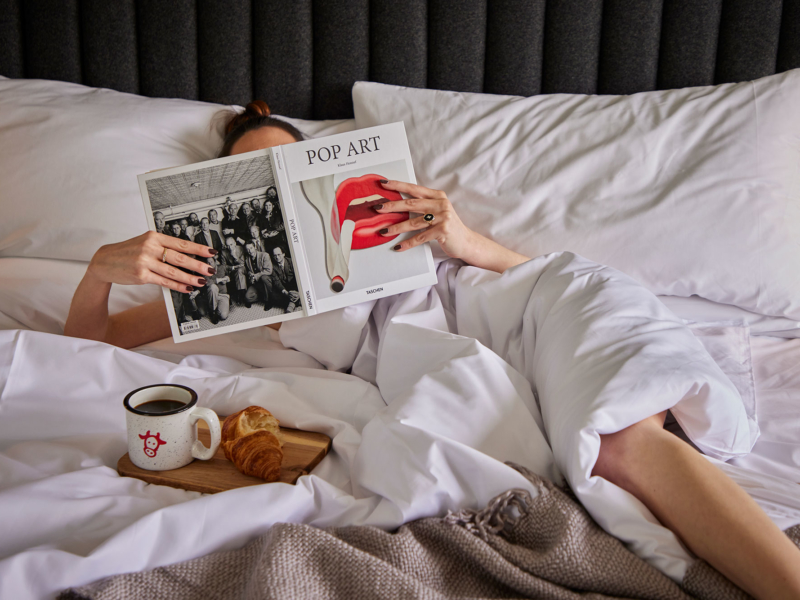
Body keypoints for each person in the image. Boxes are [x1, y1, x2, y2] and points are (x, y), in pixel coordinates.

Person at [63, 101, 800, 599]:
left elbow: (525, 275)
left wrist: (460, 238)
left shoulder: (390, 209)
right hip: (421, 344)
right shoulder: (213, 282)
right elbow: (83, 347)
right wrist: (101, 270)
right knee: (609, 447)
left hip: (515, 299)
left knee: (620, 420)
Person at [243, 241, 276, 310]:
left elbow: (269, 270)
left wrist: (256, 275)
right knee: (247, 298)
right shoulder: (247, 259)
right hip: (257, 283)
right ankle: (263, 295)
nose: (250, 251)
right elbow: (248, 271)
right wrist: (251, 275)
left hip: (266, 280)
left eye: (251, 248)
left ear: (255, 247)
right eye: (248, 249)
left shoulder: (264, 255)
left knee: (264, 278)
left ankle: (269, 301)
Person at [221, 236, 248, 307]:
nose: (230, 247)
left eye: (231, 244)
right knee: (237, 271)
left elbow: (243, 263)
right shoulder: (224, 252)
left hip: (242, 269)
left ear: (235, 243)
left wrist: (235, 257)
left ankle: (242, 295)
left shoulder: (240, 249)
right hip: (232, 270)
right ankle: (241, 294)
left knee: (239, 271)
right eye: (228, 245)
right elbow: (224, 266)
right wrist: (233, 267)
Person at [270, 246, 299, 312]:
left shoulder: (291, 261)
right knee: (273, 296)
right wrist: (286, 293)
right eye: (275, 255)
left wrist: (299, 292)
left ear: (283, 254)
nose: (277, 257)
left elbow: (297, 277)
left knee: (296, 291)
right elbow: (277, 281)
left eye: (279, 254)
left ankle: (291, 305)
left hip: (293, 285)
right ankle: (295, 301)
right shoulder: (272, 266)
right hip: (284, 287)